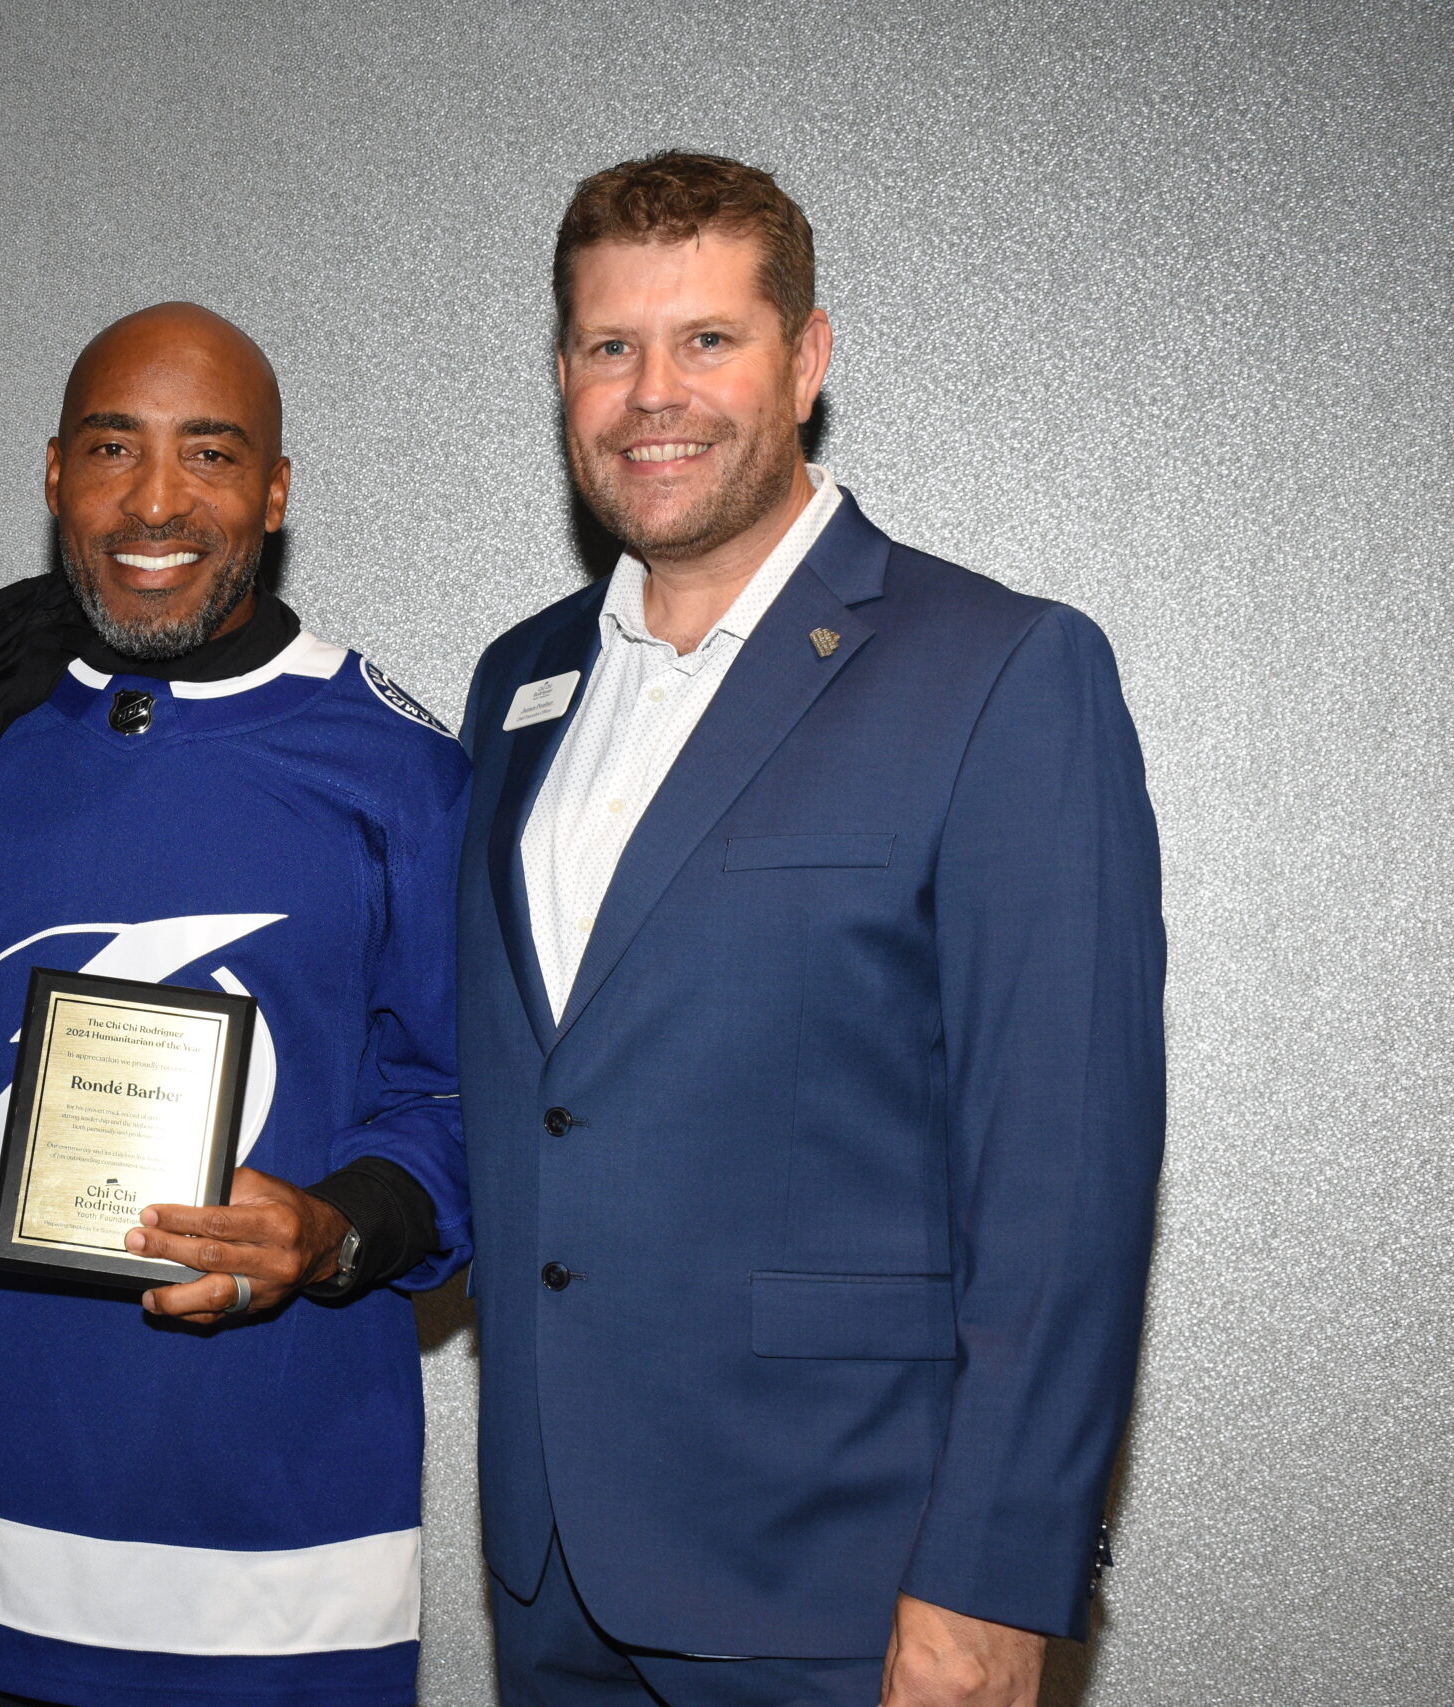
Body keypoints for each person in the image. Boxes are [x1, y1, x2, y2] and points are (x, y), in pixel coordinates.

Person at [455, 153, 1167, 1707]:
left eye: (708, 339)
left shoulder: (1001, 671)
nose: (654, 392)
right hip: (554, 1574)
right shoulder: (519, 684)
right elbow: (528, 1096)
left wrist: (991, 1579)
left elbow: (1064, 1181)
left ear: (808, 359)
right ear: (564, 374)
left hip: (847, 1584)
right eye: (610, 345)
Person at [0, 302, 470, 1707]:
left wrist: (336, 1227)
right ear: (54, 473)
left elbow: (472, 1104)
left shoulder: (404, 773)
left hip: (263, 1577)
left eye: (212, 454)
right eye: (114, 448)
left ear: (277, 493)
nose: (158, 500)